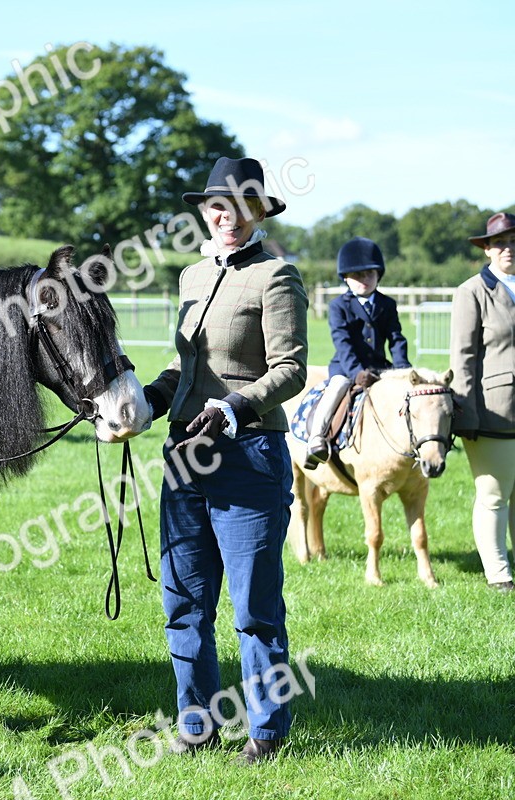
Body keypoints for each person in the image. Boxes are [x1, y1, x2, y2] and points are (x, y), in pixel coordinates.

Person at [142, 157, 308, 764]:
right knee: (183, 601)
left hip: (249, 454)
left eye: (241, 207)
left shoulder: (277, 275)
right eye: (217, 207)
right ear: (204, 212)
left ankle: (266, 732)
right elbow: (183, 368)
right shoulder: (190, 276)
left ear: (259, 211)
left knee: (253, 606)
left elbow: (290, 370)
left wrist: (236, 406)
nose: (227, 217)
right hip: (185, 454)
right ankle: (197, 725)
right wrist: (149, 398)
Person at [451, 212, 515, 593]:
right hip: (493, 410)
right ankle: (498, 574)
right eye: (501, 243)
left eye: (514, 242)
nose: (509, 249)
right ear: (488, 249)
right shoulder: (472, 291)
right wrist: (466, 415)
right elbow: (463, 358)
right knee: (494, 494)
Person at [306, 237, 410, 465]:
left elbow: (396, 338)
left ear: (378, 275)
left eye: (370, 274)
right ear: (345, 277)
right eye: (358, 275)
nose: (364, 279)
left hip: (381, 367)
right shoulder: (338, 306)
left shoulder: (387, 304)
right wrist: (356, 373)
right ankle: (316, 439)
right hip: (346, 367)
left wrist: (402, 369)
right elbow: (342, 343)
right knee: (336, 389)